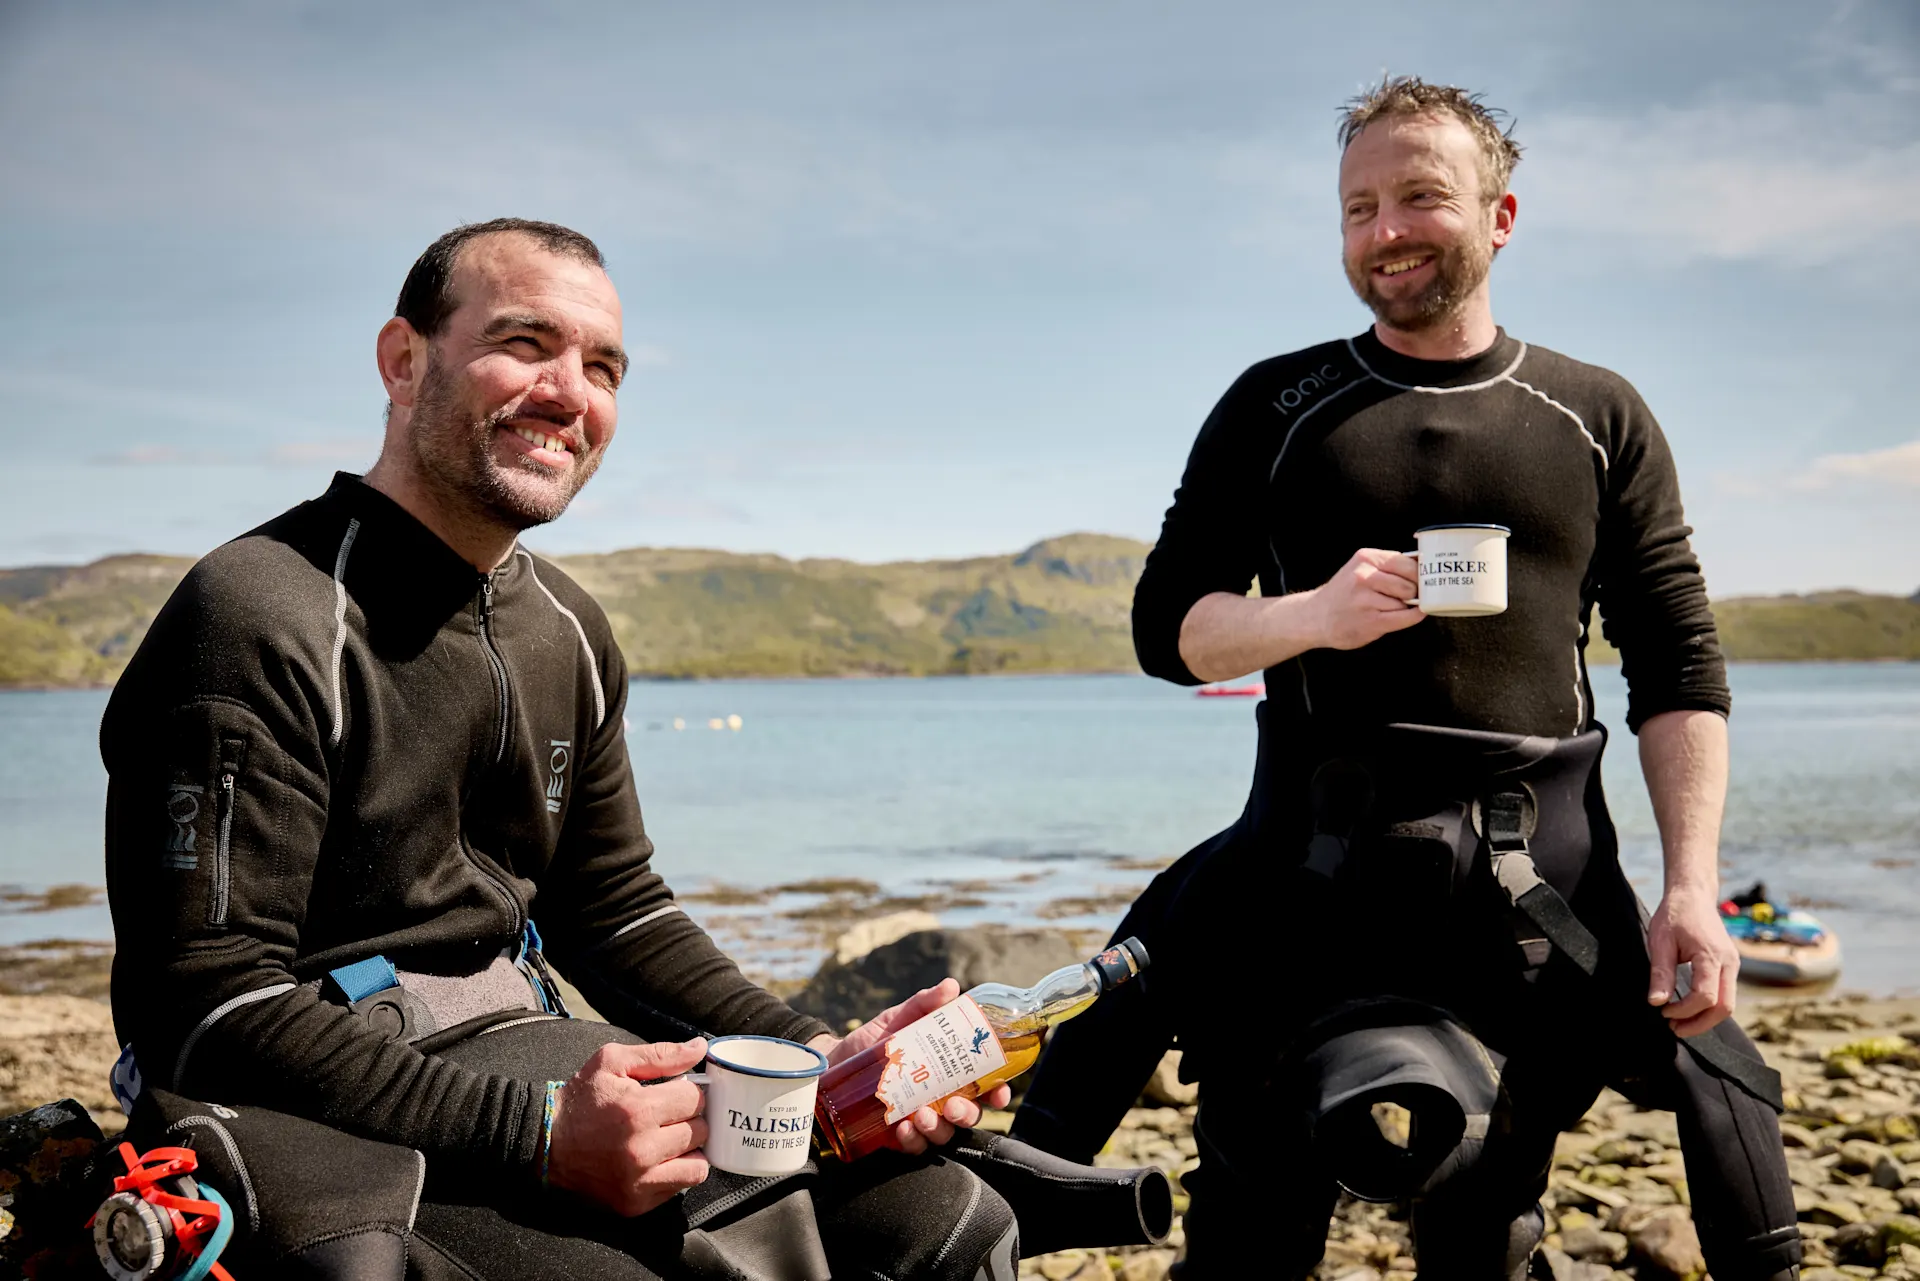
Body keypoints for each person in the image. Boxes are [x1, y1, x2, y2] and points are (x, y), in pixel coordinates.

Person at [102, 218, 1031, 1280]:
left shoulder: (570, 631)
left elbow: (614, 911)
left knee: (944, 1221)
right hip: (322, 1107)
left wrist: (815, 1057)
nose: (570, 393)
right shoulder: (260, 612)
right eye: (527, 344)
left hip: (530, 1061)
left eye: (604, 368)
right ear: (404, 362)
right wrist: (534, 1136)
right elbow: (207, 1000)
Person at [1010, 78, 1801, 1280]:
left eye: (1421, 196)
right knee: (1250, 1245)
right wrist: (1312, 616)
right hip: (1303, 891)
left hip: (1532, 906)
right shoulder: (1277, 406)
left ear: (1501, 216)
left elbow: (1679, 662)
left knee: (1489, 1230)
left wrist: (1690, 887)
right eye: (1358, 207)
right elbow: (1167, 632)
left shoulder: (1594, 415)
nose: (1386, 231)